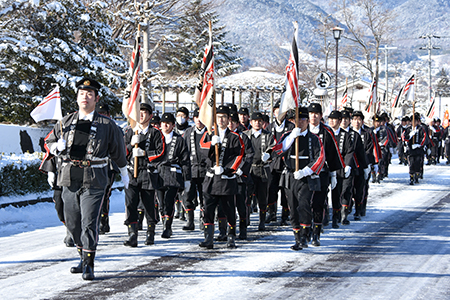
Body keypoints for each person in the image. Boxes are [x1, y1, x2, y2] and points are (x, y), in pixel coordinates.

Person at [45, 77, 129, 280]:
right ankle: (82, 256)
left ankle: (89, 264)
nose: (86, 97)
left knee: (89, 222)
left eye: (90, 94)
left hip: (94, 178)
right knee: (72, 223)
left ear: (96, 98)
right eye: (82, 93)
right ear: (77, 97)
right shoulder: (65, 121)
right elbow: (50, 141)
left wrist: (124, 172)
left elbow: (118, 150)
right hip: (69, 178)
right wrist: (56, 147)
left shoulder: (107, 124)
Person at [272, 106, 325, 250]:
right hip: (290, 176)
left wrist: (306, 171)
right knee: (293, 208)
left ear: (308, 121)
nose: (299, 123)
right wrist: (290, 138)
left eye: (302, 120)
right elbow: (278, 150)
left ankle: (304, 236)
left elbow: (320, 157)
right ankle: (296, 236)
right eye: (296, 120)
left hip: (306, 177)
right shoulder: (287, 136)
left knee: (304, 205)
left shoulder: (314, 139)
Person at [198, 105, 245, 249]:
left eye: (224, 117)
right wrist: (212, 144)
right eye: (218, 117)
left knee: (229, 209)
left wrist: (226, 169)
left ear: (229, 119)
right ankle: (208, 238)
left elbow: (240, 155)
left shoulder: (235, 137)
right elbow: (201, 148)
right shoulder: (209, 134)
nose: (221, 120)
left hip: (226, 180)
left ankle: (231, 236)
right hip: (211, 179)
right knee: (208, 209)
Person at [123, 102, 165, 247]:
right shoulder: (130, 131)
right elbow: (122, 152)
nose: (141, 115)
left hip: (147, 173)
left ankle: (150, 232)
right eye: (139, 112)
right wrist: (130, 146)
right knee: (131, 203)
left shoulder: (155, 133)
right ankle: (132, 234)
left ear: (150, 115)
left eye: (144, 112)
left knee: (148, 204)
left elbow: (161, 152)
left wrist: (146, 154)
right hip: (131, 172)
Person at [308, 103, 345, 245]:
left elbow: (333, 154)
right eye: (311, 113)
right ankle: (305, 231)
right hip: (305, 174)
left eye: (316, 113)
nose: (314, 116)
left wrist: (334, 174)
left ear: (321, 115)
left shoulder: (326, 132)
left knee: (318, 203)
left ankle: (316, 232)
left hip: (322, 173)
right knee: (305, 204)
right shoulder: (301, 130)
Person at [156, 113, 191, 238]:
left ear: (173, 125)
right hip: (158, 174)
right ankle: (164, 222)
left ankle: (167, 227)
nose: (165, 125)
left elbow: (185, 161)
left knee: (169, 201)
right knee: (161, 203)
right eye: (163, 123)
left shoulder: (179, 140)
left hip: (173, 175)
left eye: (168, 123)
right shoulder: (156, 138)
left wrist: (187, 179)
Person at [244, 112, 275, 231]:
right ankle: (246, 218)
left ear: (263, 123)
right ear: (251, 122)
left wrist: (269, 155)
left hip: (262, 168)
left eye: (259, 121)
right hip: (249, 168)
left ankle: (262, 220)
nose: (257, 123)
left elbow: (273, 148)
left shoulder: (268, 135)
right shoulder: (245, 135)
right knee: (247, 195)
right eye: (255, 121)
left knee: (262, 196)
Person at [266, 100, 295, 225]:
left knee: (285, 189)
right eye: (277, 110)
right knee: (271, 189)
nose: (279, 113)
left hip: (286, 163)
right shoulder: (269, 127)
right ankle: (271, 212)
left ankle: (285, 213)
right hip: (272, 163)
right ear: (274, 112)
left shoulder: (291, 127)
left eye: (282, 110)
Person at [180, 108, 209, 231]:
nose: (198, 120)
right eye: (196, 117)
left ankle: (204, 219)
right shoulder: (188, 132)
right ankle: (190, 221)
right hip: (191, 169)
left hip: (205, 170)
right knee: (188, 196)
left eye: (200, 117)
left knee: (205, 196)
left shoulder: (209, 132)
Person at [228, 111, 254, 239]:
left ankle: (243, 228)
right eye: (228, 122)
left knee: (241, 204)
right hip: (226, 177)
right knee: (228, 205)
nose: (230, 124)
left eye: (233, 122)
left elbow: (249, 155)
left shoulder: (243, 137)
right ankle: (229, 231)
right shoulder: (223, 137)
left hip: (239, 177)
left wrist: (242, 169)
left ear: (237, 124)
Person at [95, 102, 119, 235]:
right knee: (96, 194)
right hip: (95, 166)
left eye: (104, 114)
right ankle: (98, 219)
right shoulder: (92, 128)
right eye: (100, 114)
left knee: (105, 194)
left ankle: (104, 219)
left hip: (109, 166)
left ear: (109, 115)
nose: (102, 116)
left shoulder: (115, 128)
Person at [327, 110, 354, 227]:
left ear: (339, 121)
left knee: (338, 192)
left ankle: (337, 216)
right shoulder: (326, 133)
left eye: (334, 119)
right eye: (330, 119)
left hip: (339, 167)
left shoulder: (345, 135)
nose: (332, 121)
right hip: (326, 167)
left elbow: (349, 151)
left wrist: (347, 165)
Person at [404, 113, 426, 185]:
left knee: (417, 163)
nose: (414, 123)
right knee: (411, 163)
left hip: (418, 149)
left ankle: (417, 176)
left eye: (415, 121)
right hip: (410, 149)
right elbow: (404, 138)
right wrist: (410, 135)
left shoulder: (420, 128)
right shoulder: (408, 129)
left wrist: (419, 145)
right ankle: (411, 177)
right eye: (412, 121)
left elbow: (424, 137)